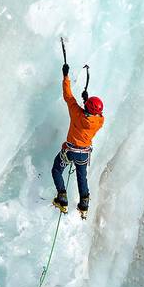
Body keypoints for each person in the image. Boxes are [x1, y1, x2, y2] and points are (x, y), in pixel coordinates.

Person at [52, 61, 104, 216]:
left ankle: (62, 199)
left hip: (70, 150)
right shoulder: (100, 121)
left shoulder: (76, 113)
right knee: (82, 177)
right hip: (84, 154)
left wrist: (65, 76)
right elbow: (93, 114)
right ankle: (84, 204)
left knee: (56, 170)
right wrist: (86, 101)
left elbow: (68, 96)